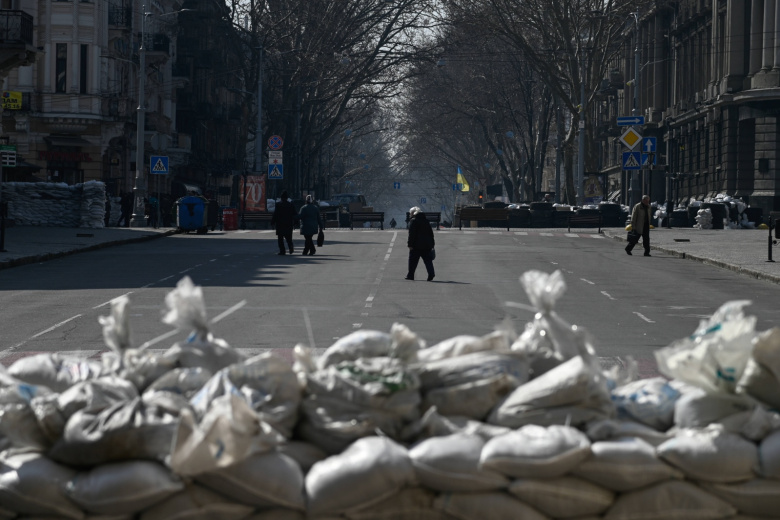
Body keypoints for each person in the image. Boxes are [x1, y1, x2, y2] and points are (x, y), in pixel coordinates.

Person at [406, 206, 435, 281]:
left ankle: (410, 275)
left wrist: (410, 244)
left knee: (413, 261)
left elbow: (412, 234)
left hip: (416, 245)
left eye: (410, 213)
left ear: (413, 213)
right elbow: (431, 233)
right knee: (428, 261)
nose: (410, 215)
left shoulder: (414, 221)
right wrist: (432, 243)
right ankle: (431, 273)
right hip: (427, 245)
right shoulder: (426, 220)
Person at [271, 190, 298, 255]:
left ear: (281, 198)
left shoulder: (278, 205)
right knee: (289, 238)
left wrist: (272, 222)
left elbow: (275, 214)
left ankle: (282, 251)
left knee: (280, 239)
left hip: (280, 224)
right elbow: (295, 214)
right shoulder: (291, 205)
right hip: (289, 224)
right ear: (287, 198)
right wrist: (296, 222)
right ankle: (290, 246)